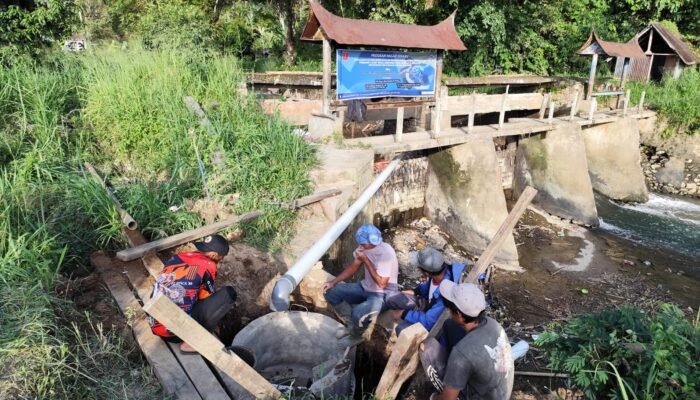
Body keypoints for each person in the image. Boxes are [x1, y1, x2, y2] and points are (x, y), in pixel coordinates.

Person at [423, 281, 513, 400]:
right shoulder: (493, 324)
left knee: (428, 349)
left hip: (480, 396)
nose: (449, 311)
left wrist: (434, 398)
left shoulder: (461, 354)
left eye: (450, 309)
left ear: (459, 314)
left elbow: (447, 399)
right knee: (449, 325)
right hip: (500, 391)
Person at [148, 234, 237, 354]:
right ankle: (190, 344)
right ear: (214, 255)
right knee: (228, 294)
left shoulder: (178, 258)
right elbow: (205, 298)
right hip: (174, 332)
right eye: (222, 257)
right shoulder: (209, 265)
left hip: (155, 323)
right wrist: (214, 319)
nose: (221, 259)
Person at [322, 224, 399, 347]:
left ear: (372, 242)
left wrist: (366, 260)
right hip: (366, 287)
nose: (360, 246)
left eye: (363, 244)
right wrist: (333, 282)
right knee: (331, 293)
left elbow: (382, 283)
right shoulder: (365, 249)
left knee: (358, 313)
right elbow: (353, 268)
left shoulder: (386, 254)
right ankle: (351, 326)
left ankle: (357, 336)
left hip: (383, 294)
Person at [385, 247, 466, 335]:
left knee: (401, 329)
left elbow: (428, 321)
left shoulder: (445, 294)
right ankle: (414, 312)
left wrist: (404, 313)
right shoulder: (439, 273)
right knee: (391, 297)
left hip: (433, 322)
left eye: (419, 268)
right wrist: (415, 291)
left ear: (426, 273)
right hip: (426, 305)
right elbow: (428, 287)